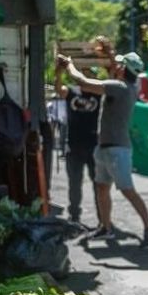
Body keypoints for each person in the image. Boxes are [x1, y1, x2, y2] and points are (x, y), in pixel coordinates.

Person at [57, 51, 148, 247]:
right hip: (105, 147)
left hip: (117, 149)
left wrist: (69, 65)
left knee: (128, 190)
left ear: (123, 69)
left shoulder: (119, 87)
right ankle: (106, 227)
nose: (115, 67)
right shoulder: (125, 86)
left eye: (119, 65)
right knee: (102, 189)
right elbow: (110, 72)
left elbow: (83, 82)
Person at [55, 65, 101, 224]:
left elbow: (114, 82)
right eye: (86, 74)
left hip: (93, 145)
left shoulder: (99, 94)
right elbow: (59, 89)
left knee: (98, 183)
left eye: (91, 75)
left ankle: (103, 217)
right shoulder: (72, 91)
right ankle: (74, 216)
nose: (88, 78)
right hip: (74, 145)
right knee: (74, 183)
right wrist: (59, 72)